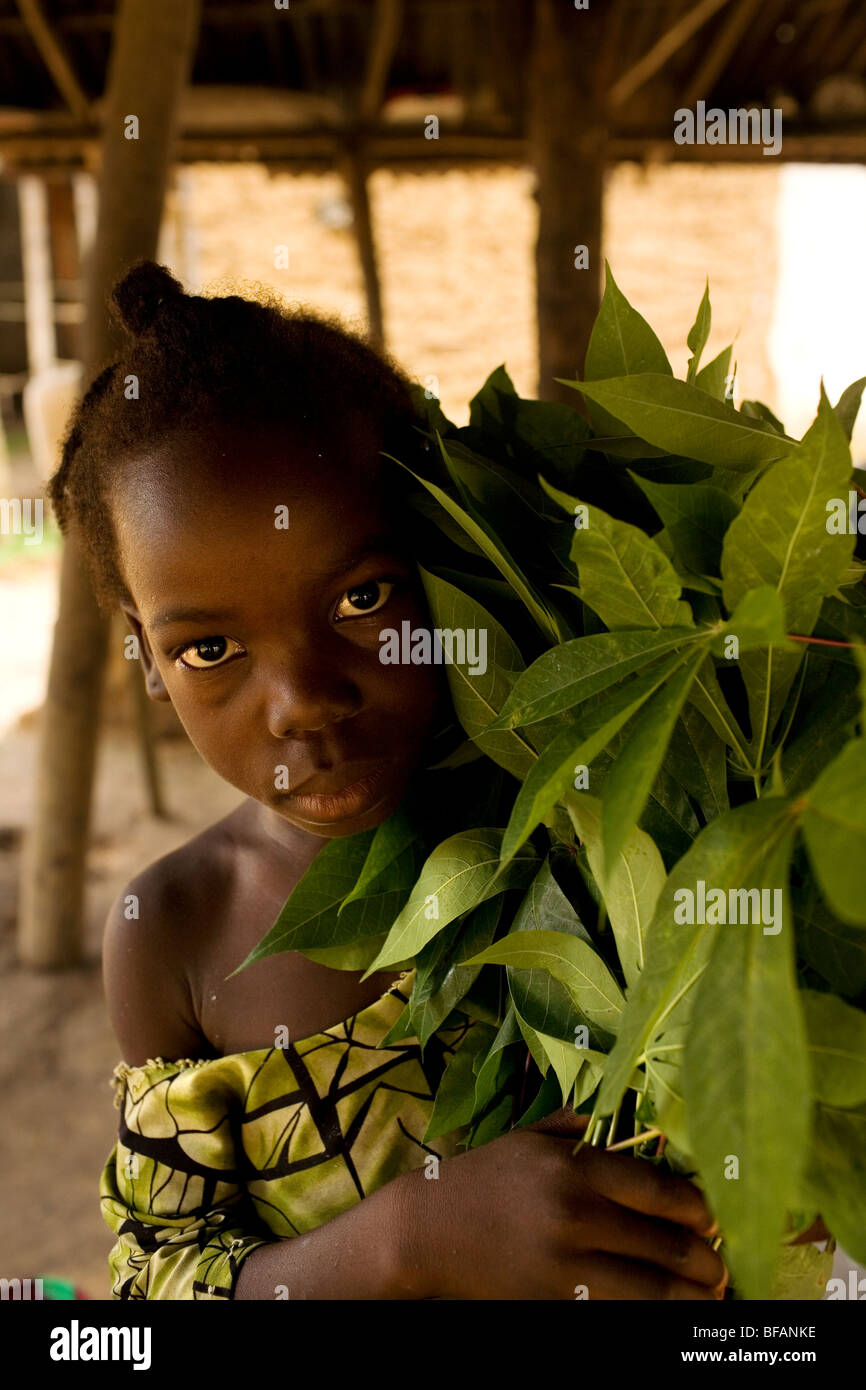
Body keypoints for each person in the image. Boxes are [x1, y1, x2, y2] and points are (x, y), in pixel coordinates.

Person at [50, 260, 729, 1300]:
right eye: (208, 649)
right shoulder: (173, 931)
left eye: (364, 595)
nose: (302, 701)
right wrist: (403, 1242)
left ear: (453, 547)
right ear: (144, 656)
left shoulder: (597, 825)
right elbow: (154, 1284)